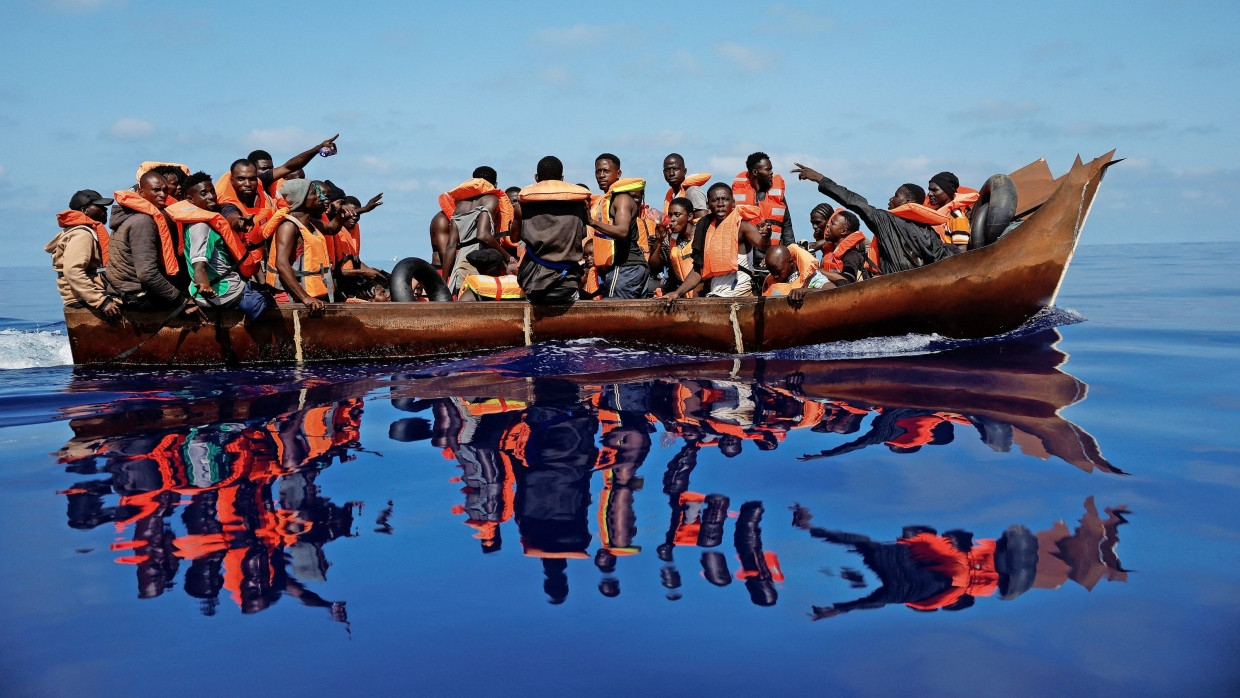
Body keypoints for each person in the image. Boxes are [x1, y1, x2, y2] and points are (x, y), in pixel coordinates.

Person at [792, 162, 956, 274]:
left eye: (895, 196)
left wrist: (820, 179)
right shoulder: (928, 230)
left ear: (907, 202)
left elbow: (853, 200)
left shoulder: (885, 220)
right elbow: (944, 258)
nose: (890, 199)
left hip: (894, 292)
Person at [107, 171, 201, 318]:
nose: (163, 194)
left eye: (165, 190)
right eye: (156, 190)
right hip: (136, 295)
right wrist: (180, 299)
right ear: (141, 193)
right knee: (201, 303)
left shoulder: (128, 215)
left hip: (123, 289)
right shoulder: (142, 222)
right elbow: (147, 274)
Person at [164, 171, 255, 310]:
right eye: (203, 193)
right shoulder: (200, 226)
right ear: (190, 199)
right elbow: (199, 266)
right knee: (264, 300)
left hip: (205, 293)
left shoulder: (202, 220)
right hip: (225, 292)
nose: (211, 196)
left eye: (212, 191)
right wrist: (204, 286)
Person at [217, 134, 340, 237]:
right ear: (232, 180)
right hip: (242, 259)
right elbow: (232, 217)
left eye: (252, 179)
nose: (248, 184)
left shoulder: (261, 181)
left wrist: (317, 148)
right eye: (241, 179)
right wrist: (240, 223)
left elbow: (289, 166)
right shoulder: (227, 202)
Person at [664, 183, 769, 299]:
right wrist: (677, 293)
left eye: (725, 199)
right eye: (715, 200)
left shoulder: (742, 227)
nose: (720, 204)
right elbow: (698, 270)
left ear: (733, 203)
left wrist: (766, 236)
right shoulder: (704, 228)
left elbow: (763, 245)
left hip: (740, 295)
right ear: (708, 204)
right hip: (715, 296)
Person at [516, 155, 592, 305]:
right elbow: (582, 234)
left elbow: (513, 238)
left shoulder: (522, 206)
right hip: (569, 283)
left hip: (535, 283)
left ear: (536, 178)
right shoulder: (579, 205)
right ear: (562, 179)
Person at [430, 168, 516, 294]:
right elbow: (483, 235)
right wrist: (508, 257)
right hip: (479, 263)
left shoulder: (460, 206)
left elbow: (451, 247)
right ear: (495, 185)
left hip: (460, 266)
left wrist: (444, 281)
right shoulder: (491, 199)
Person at [46, 189, 122, 319]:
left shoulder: (78, 231)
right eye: (100, 207)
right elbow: (73, 271)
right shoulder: (82, 235)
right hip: (83, 298)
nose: (105, 210)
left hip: (86, 295)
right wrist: (101, 301)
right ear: (85, 210)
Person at [587, 154, 652, 299]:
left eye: (606, 171)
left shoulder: (621, 199)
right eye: (598, 171)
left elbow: (623, 231)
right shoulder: (610, 199)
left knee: (612, 316)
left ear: (618, 174)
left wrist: (592, 222)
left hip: (626, 267)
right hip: (632, 268)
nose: (601, 175)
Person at [265, 180, 335, 314]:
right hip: (293, 298)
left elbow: (331, 228)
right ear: (301, 199)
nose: (319, 197)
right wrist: (306, 298)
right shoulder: (288, 227)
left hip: (310, 299)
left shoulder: (310, 224)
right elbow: (282, 263)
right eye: (314, 193)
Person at [732, 152, 794, 283]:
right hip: (745, 259)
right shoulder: (735, 196)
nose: (772, 173)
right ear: (755, 172)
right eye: (768, 169)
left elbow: (787, 229)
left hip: (771, 260)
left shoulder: (777, 196)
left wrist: (788, 254)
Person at [648, 197, 698, 297]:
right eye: (670, 215)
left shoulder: (701, 235)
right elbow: (653, 266)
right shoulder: (670, 239)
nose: (672, 219)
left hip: (701, 292)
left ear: (689, 216)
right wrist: (659, 241)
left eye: (677, 215)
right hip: (680, 293)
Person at [761, 244, 829, 303]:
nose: (775, 276)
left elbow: (835, 291)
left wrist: (805, 291)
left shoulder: (811, 277)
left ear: (790, 262)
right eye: (772, 272)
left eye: (778, 272)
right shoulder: (771, 282)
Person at [818, 208, 871, 285]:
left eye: (833, 223)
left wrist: (817, 270)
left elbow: (848, 279)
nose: (827, 225)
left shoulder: (852, 255)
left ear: (843, 231)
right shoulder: (831, 255)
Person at [926, 171, 978, 247]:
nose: (929, 194)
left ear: (948, 192)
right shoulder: (935, 215)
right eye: (929, 190)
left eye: (934, 190)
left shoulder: (957, 218)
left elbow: (961, 251)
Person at [458, 248, 525, 302]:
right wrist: (518, 271)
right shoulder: (521, 287)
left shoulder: (472, 294)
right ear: (503, 269)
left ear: (480, 272)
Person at [661, 153, 710, 218]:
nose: (671, 173)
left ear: (685, 171)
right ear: (663, 173)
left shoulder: (693, 192)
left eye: (675, 169)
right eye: (667, 170)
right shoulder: (670, 196)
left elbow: (704, 224)